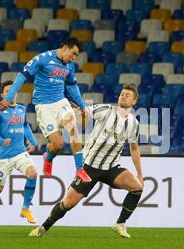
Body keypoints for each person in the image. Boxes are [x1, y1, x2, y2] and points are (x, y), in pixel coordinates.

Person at [29, 84, 143, 239]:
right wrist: (79, 110)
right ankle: (43, 227)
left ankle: (120, 223)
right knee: (68, 203)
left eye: (128, 95)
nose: (123, 96)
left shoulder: (133, 124)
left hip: (111, 167)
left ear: (134, 102)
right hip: (89, 166)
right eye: (122, 93)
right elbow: (87, 113)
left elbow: (134, 149)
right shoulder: (106, 110)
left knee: (137, 187)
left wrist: (140, 174)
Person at [0, 37, 91, 183]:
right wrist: (9, 97)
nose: (73, 58)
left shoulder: (69, 66)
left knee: (74, 131)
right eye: (73, 53)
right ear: (65, 47)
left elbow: (72, 86)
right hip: (44, 106)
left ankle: (80, 169)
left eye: (76, 56)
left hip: (61, 102)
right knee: (57, 145)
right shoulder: (42, 59)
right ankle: (48, 157)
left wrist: (82, 106)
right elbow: (22, 76)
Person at [0, 80, 38, 232]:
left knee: (33, 173)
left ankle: (25, 208)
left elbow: (25, 126)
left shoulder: (21, 108)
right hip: (4, 156)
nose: (10, 93)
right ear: (2, 94)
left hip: (20, 152)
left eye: (12, 91)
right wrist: (1, 141)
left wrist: (32, 142)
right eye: (7, 91)